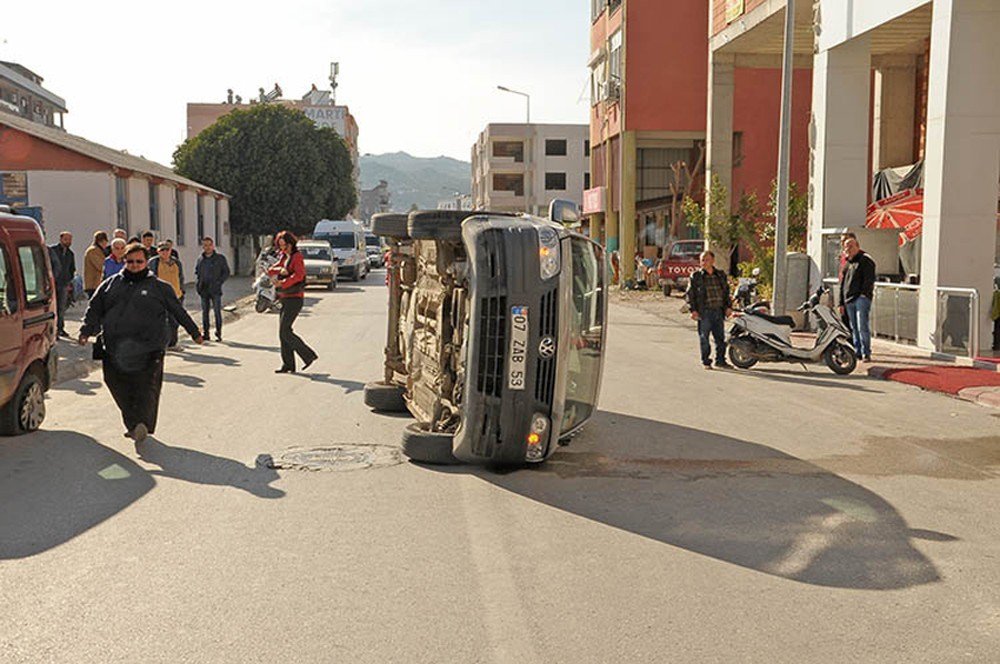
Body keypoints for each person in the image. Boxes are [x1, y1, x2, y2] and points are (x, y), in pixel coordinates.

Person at [78, 243, 204, 443]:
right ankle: (135, 423)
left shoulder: (160, 287)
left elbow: (178, 311)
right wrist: (85, 331)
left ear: (146, 262)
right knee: (115, 382)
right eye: (130, 261)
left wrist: (195, 332)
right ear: (124, 262)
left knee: (146, 388)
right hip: (114, 347)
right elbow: (94, 309)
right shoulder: (110, 284)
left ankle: (141, 424)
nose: (134, 265)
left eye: (139, 261)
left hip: (149, 347)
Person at [268, 230, 318, 373]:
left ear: (291, 243)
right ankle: (288, 364)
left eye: (285, 245)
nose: (283, 248)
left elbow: (299, 275)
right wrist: (276, 270)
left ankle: (308, 355)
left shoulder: (297, 257)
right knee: (283, 332)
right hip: (285, 297)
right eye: (281, 246)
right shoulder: (284, 256)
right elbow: (275, 268)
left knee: (285, 331)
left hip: (295, 298)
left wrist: (283, 282)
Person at [686, 250, 733, 369]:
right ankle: (706, 361)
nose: (704, 262)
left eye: (706, 259)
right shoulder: (696, 276)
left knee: (720, 338)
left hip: (718, 310)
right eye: (702, 260)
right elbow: (690, 294)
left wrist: (728, 307)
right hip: (704, 311)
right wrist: (693, 310)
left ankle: (721, 360)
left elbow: (726, 292)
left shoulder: (720, 275)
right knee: (704, 338)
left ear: (713, 261)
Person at [839, 234, 877, 363]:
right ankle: (858, 351)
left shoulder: (866, 260)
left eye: (851, 246)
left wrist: (863, 294)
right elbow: (842, 285)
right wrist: (841, 302)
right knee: (854, 327)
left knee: (862, 326)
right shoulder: (847, 264)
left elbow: (869, 280)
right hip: (849, 300)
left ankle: (866, 352)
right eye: (846, 247)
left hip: (861, 299)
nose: (848, 249)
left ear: (857, 246)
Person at [149, 241, 186, 348]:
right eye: (162, 250)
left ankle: (172, 343)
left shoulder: (176, 263)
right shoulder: (153, 262)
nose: (165, 252)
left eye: (167, 250)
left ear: (170, 251)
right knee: (161, 321)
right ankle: (162, 343)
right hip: (160, 297)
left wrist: (182, 291)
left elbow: (180, 277)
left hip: (176, 295)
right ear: (158, 251)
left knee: (175, 321)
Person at [195, 236, 230, 341]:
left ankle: (218, 333)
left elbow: (226, 272)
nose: (207, 247)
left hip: (215, 289)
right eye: (205, 245)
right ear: (203, 247)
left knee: (217, 312)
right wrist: (198, 284)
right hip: (204, 289)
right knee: (205, 313)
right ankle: (206, 334)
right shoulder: (200, 259)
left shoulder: (220, 258)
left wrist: (219, 282)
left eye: (209, 245)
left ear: (213, 245)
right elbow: (197, 272)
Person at [48, 231, 75, 338]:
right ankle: (53, 330)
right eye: (66, 239)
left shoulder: (70, 254)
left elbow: (72, 269)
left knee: (61, 308)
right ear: (61, 239)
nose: (68, 242)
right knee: (53, 307)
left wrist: (69, 280)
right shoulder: (53, 251)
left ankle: (60, 328)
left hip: (63, 284)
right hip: (53, 284)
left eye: (70, 240)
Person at [84, 231, 109, 298]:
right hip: (94, 284)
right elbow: (101, 266)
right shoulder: (93, 251)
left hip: (96, 284)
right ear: (102, 241)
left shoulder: (98, 250)